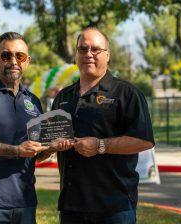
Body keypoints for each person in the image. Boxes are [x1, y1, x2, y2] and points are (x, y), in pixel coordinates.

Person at [0, 32, 67, 224]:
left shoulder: (32, 100)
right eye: (6, 56)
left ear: (27, 61)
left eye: (20, 56)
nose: (13, 61)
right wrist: (16, 150)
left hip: (25, 203)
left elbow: (33, 154)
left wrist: (50, 148)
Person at [51, 27, 155, 224]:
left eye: (95, 49)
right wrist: (52, 145)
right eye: (82, 49)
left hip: (114, 207)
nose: (88, 54)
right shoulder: (63, 97)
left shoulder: (126, 93)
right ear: (76, 55)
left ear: (107, 55)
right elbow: (50, 138)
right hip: (71, 206)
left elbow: (144, 140)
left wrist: (100, 145)